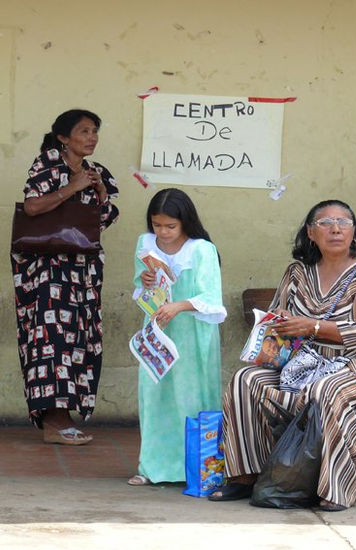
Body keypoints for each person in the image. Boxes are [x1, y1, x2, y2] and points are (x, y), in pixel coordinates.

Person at [209, 199, 356, 511]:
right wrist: (280, 320)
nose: (335, 228)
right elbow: (277, 316)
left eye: (344, 222)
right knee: (245, 380)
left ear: (353, 231)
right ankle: (245, 476)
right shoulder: (297, 272)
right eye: (325, 223)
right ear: (311, 232)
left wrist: (314, 327)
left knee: (325, 390)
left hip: (351, 364)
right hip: (299, 364)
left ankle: (335, 487)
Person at [11, 109, 119, 445]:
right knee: (49, 342)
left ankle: (66, 415)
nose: (91, 137)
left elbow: (104, 218)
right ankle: (53, 421)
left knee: (79, 342)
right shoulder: (48, 163)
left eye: (95, 131)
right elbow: (31, 207)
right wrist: (72, 188)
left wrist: (100, 192)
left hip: (82, 272)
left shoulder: (97, 171)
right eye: (84, 131)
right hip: (45, 271)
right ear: (63, 137)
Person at [128, 188, 227, 485]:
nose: (163, 232)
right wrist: (144, 280)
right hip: (157, 330)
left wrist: (180, 306)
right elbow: (140, 286)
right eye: (157, 225)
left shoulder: (201, 250)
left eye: (170, 226)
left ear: (185, 222)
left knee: (193, 397)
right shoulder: (145, 245)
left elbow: (211, 296)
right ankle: (151, 467)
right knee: (154, 396)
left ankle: (199, 469)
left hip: (193, 333)